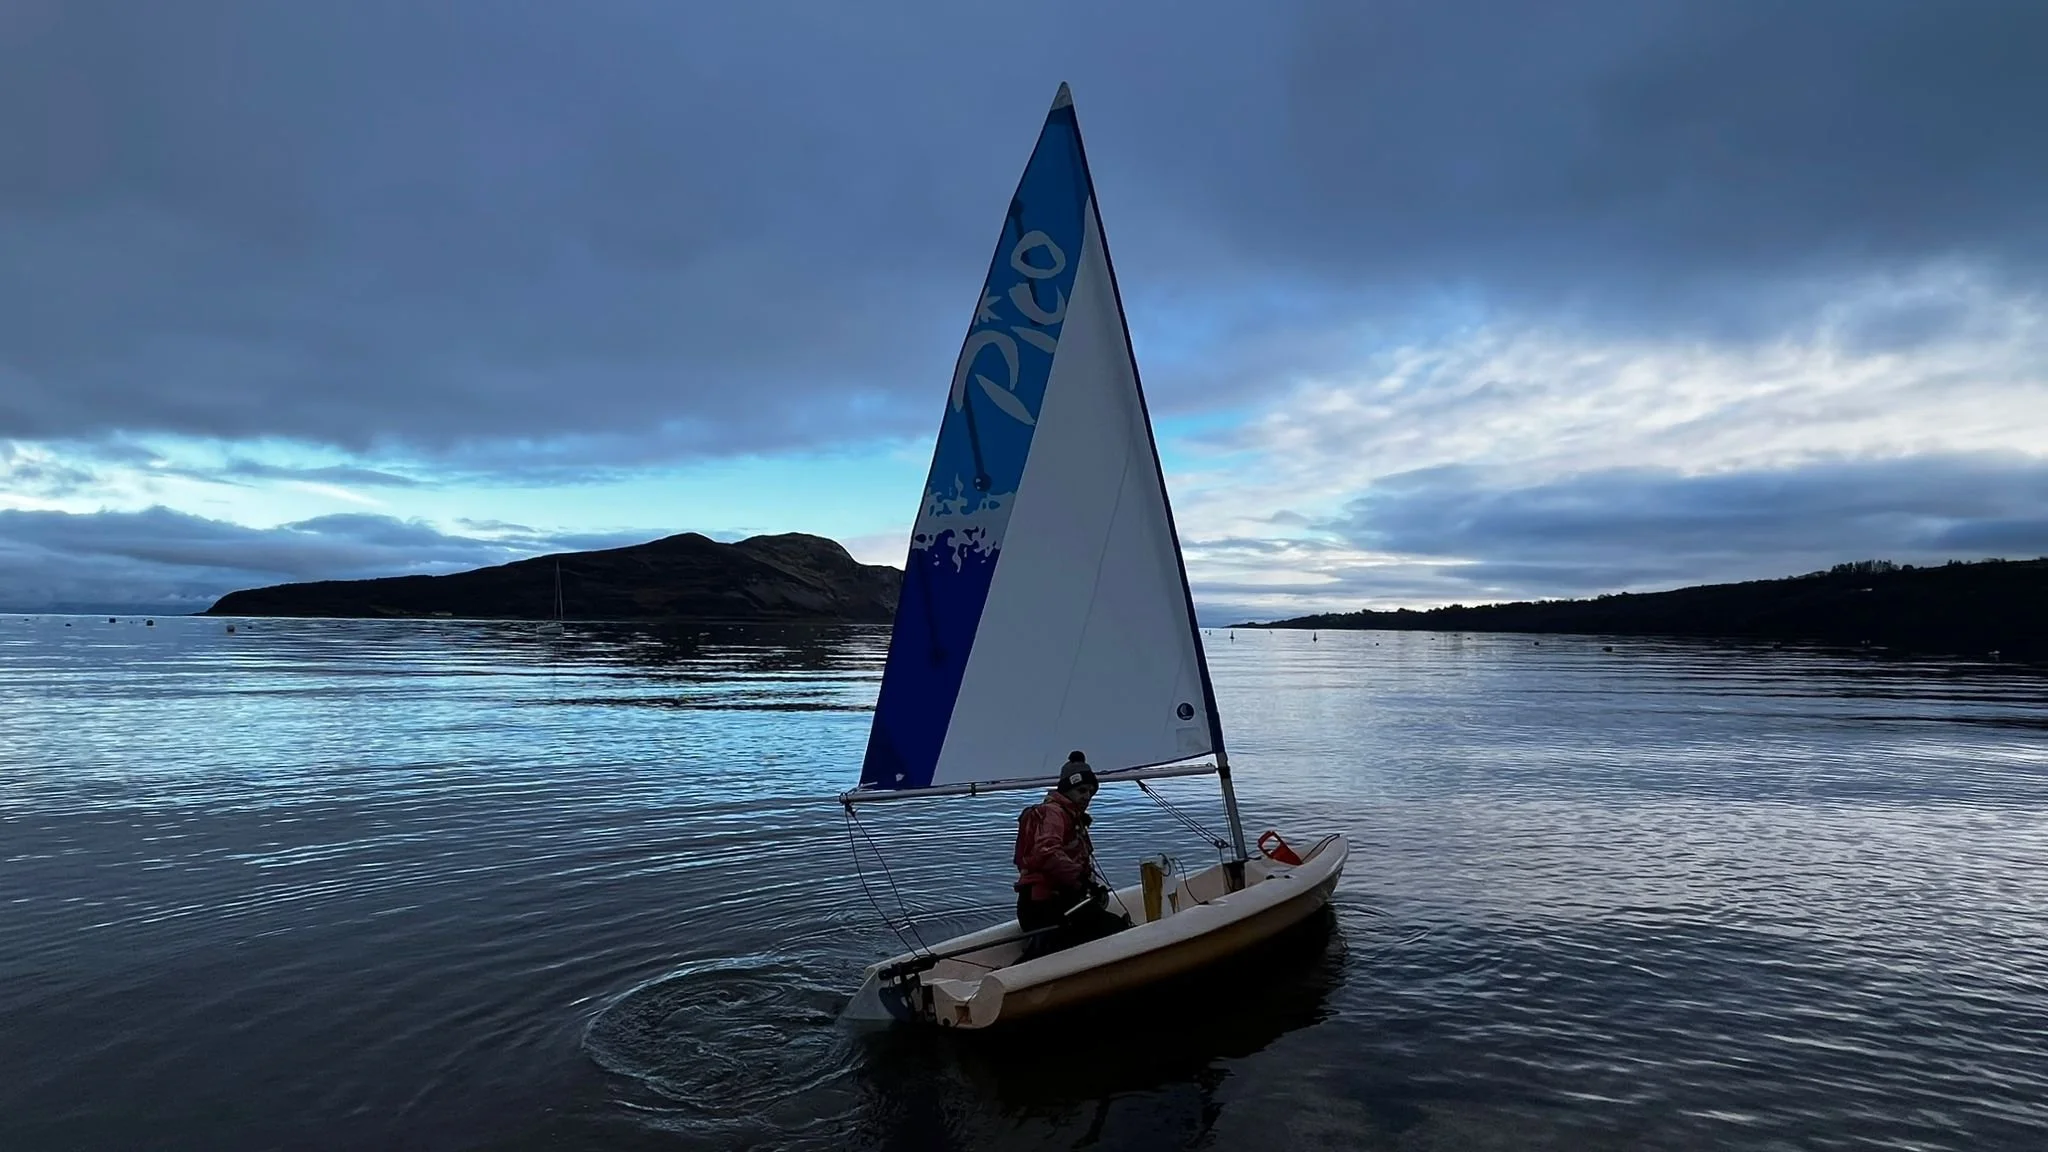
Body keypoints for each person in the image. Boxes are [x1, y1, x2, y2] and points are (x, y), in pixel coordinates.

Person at [1013, 751, 1129, 960]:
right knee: (1115, 929)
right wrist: (1080, 879)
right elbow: (1047, 851)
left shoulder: (1070, 815)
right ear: (1067, 789)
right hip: (1043, 907)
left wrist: (1088, 885)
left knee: (1105, 924)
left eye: (1091, 792)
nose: (1087, 796)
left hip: (1056, 904)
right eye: (1081, 790)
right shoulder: (1054, 813)